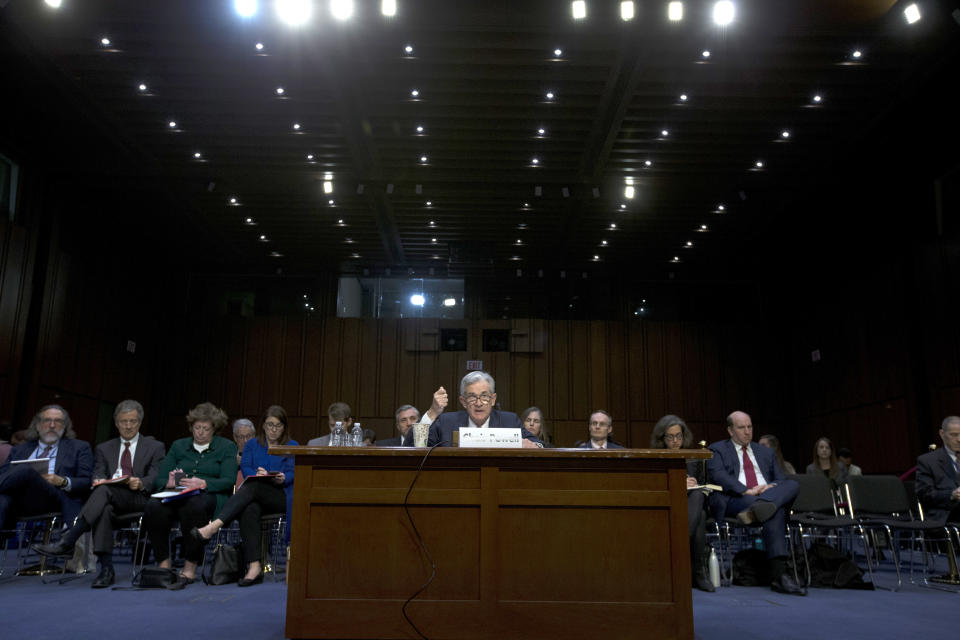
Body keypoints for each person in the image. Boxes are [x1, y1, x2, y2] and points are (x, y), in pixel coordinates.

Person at [33, 400, 165, 588]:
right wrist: (98, 480)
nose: (128, 426)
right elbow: (98, 474)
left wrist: (141, 482)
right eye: (123, 421)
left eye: (133, 421)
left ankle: (69, 539)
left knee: (103, 493)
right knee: (104, 507)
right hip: (109, 497)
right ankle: (106, 569)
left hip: (139, 498)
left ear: (140, 423)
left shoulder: (155, 447)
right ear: (116, 423)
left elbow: (156, 476)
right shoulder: (104, 448)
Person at [191, 405, 297, 586]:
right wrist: (258, 473)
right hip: (256, 494)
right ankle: (254, 567)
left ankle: (214, 526)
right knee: (249, 507)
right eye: (270, 424)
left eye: (278, 425)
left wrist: (283, 477)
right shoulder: (252, 444)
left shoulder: (292, 446)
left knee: (253, 487)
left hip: (280, 495)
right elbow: (246, 467)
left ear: (284, 427)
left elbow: (296, 472)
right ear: (263, 425)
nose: (273, 429)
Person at [707, 410, 804, 595]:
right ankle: (780, 576)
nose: (747, 431)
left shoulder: (765, 452)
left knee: (792, 484)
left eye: (749, 427)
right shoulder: (717, 449)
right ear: (730, 431)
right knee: (776, 511)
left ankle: (764, 505)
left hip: (765, 496)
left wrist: (770, 488)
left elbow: (781, 480)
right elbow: (718, 475)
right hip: (737, 498)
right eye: (741, 427)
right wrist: (746, 490)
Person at [143, 402, 237, 590]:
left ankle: (190, 566)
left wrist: (204, 483)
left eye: (205, 429)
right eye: (197, 428)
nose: (200, 432)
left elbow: (228, 480)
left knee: (193, 506)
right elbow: (160, 478)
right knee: (153, 506)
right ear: (191, 427)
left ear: (214, 429)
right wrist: (168, 483)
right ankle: (164, 563)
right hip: (176, 493)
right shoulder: (179, 445)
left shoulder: (226, 447)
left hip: (208, 495)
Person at [0, 405, 93, 531]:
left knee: (26, 469)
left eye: (58, 421)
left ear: (65, 426)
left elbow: (86, 481)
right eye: (47, 420)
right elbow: (4, 474)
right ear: (37, 425)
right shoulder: (20, 449)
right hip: (19, 499)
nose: (52, 425)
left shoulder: (79, 447)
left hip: (52, 499)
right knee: (3, 499)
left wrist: (62, 481)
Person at [650, 414, 713, 592]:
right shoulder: (656, 458)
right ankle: (698, 572)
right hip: (668, 507)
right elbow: (656, 488)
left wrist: (693, 487)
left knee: (699, 497)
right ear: (662, 438)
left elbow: (704, 485)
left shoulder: (692, 458)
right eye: (670, 436)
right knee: (699, 516)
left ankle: (679, 552)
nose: (675, 441)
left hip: (691, 505)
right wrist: (679, 485)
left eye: (679, 436)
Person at [427, 372, 541, 447]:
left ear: (493, 399)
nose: (478, 403)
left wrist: (533, 446)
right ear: (463, 402)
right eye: (472, 397)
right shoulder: (446, 422)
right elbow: (413, 445)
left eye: (484, 396)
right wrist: (432, 412)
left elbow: (542, 445)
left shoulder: (509, 421)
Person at [916, 416, 960, 523]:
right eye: (954, 435)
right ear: (942, 434)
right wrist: (951, 495)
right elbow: (924, 494)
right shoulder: (928, 461)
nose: (959, 439)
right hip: (945, 515)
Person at [379, 388, 450, 447]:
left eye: (413, 418)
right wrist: (432, 412)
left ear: (420, 420)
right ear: (398, 426)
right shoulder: (382, 445)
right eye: (403, 420)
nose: (409, 423)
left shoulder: (433, 445)